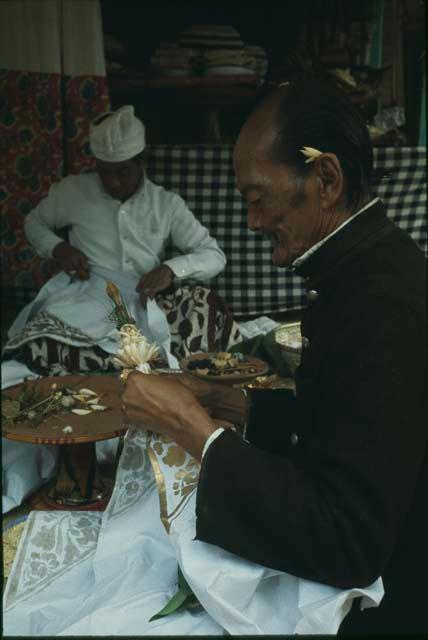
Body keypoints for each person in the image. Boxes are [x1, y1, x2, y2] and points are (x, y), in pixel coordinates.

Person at [121, 78, 427, 635]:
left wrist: (190, 427)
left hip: (394, 594)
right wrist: (228, 403)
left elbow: (347, 541)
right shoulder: (361, 269)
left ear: (325, 179)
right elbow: (350, 424)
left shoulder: (385, 302)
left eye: (257, 198)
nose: (252, 222)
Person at [4, 105, 238, 374]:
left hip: (144, 299)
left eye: (123, 172)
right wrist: (57, 248)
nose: (113, 182)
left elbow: (214, 255)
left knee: (203, 303)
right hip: (84, 295)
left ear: (141, 161)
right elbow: (34, 223)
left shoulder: (166, 204)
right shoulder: (71, 191)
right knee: (42, 340)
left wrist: (170, 270)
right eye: (105, 171)